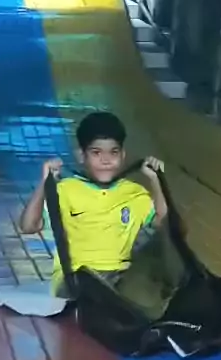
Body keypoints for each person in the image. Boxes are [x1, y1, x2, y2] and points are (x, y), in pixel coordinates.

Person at [20, 111, 168, 297]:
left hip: (120, 277)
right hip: (77, 277)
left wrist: (156, 180)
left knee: (149, 281)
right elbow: (28, 226)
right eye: (96, 153)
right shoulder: (66, 190)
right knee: (97, 293)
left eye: (113, 152)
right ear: (81, 156)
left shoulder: (134, 193)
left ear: (123, 155)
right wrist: (44, 183)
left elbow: (165, 223)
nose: (106, 160)